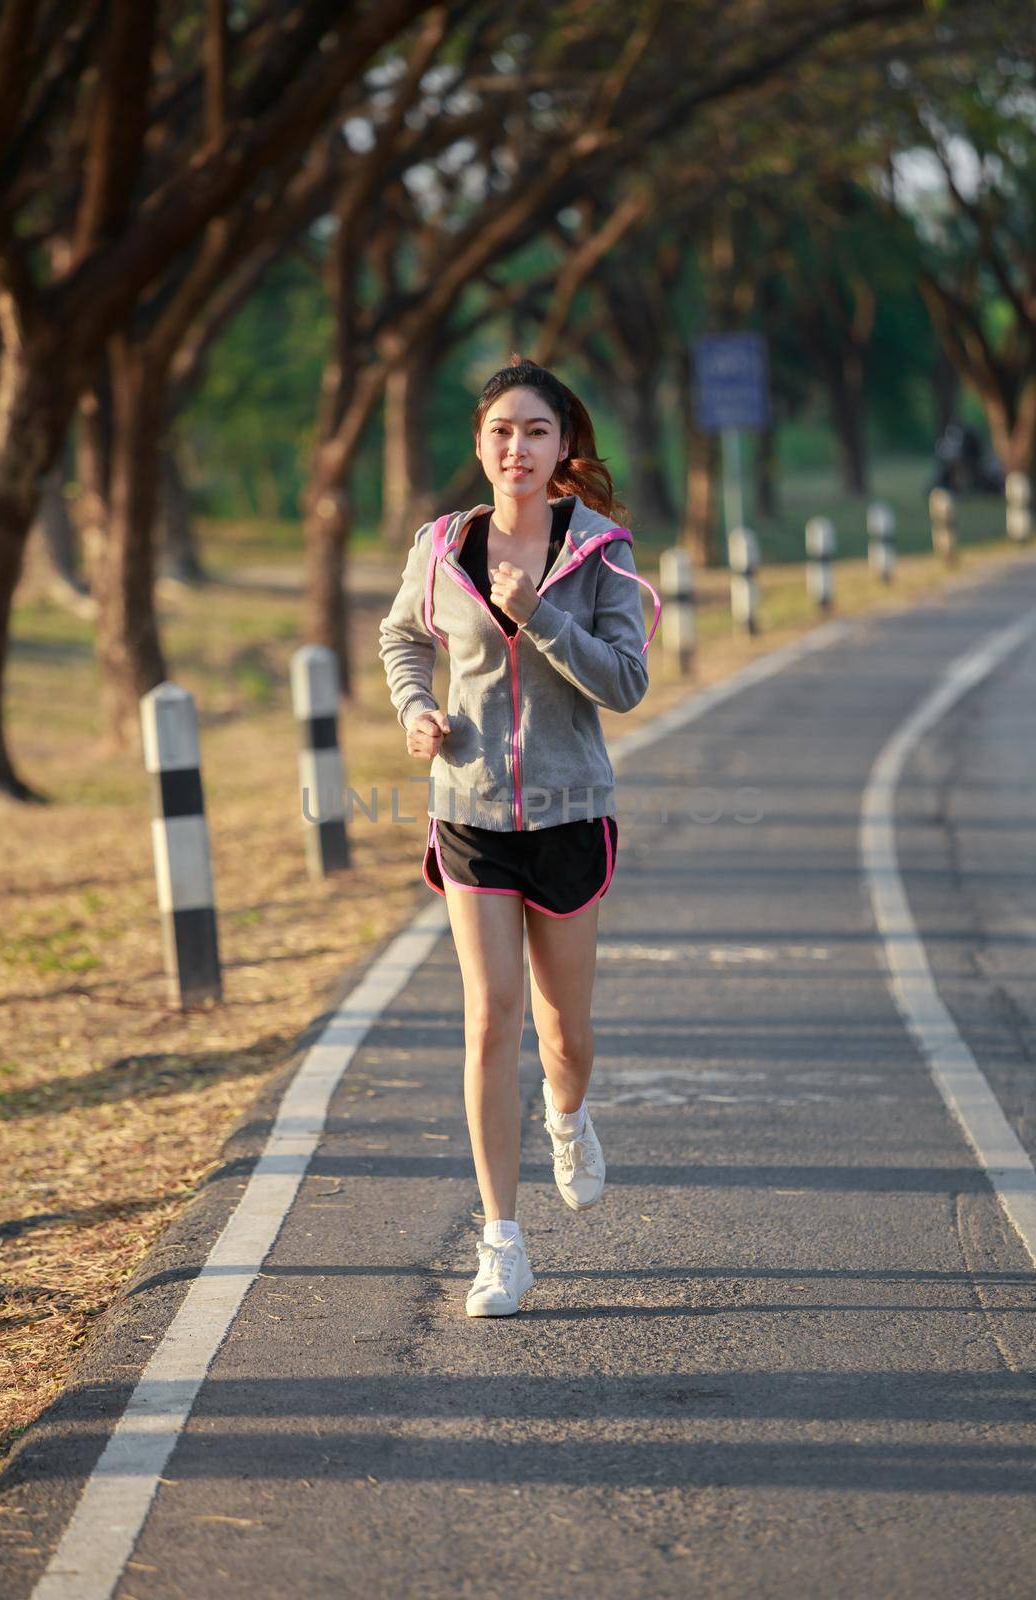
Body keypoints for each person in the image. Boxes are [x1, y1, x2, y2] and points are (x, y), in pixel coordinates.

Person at [378, 355, 662, 1317]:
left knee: (562, 1034)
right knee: (490, 1016)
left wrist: (539, 617)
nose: (517, 448)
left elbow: (625, 683)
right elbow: (402, 637)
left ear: (563, 445)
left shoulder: (602, 555)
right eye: (502, 431)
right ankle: (501, 1242)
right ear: (480, 445)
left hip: (570, 814)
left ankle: (568, 1117)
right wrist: (418, 711)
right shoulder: (443, 547)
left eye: (536, 432)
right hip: (470, 811)